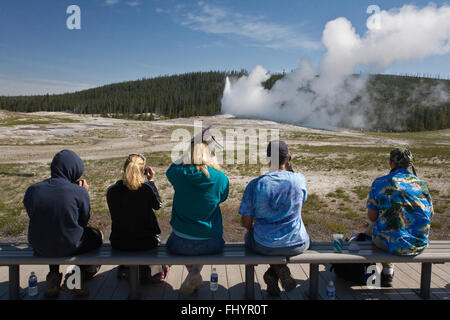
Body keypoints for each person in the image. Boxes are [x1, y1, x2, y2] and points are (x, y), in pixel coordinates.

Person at [23, 149, 103, 298]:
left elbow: (33, 214)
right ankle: (75, 280)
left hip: (40, 245)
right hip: (69, 245)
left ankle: (53, 276)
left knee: (51, 230)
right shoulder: (78, 192)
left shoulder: (33, 190)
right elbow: (83, 221)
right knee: (94, 236)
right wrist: (83, 193)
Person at [239, 140, 310, 297]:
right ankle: (274, 273)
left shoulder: (256, 184)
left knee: (256, 238)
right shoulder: (299, 179)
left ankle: (275, 270)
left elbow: (246, 222)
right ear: (288, 158)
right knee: (280, 240)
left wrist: (254, 229)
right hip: (297, 243)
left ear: (268, 158)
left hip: (264, 244)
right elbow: (302, 200)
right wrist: (289, 167)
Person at [166, 128, 229, 296]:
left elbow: (170, 169)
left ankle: (193, 273)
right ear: (212, 152)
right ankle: (195, 273)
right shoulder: (221, 178)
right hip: (212, 243)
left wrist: (188, 155)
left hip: (179, 243)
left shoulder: (178, 173)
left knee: (185, 241)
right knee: (202, 240)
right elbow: (222, 198)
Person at [365, 147, 434, 287]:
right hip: (419, 243)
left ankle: (382, 271)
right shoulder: (421, 184)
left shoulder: (380, 183)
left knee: (371, 228)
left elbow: (372, 217)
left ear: (391, 163)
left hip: (392, 243)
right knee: (392, 227)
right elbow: (431, 213)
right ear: (409, 164)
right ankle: (388, 271)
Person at [106, 153, 168, 284]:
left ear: (125, 168)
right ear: (143, 170)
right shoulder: (146, 189)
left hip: (119, 242)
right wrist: (151, 181)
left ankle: (126, 267)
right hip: (145, 242)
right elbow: (158, 205)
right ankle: (148, 270)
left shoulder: (112, 191)